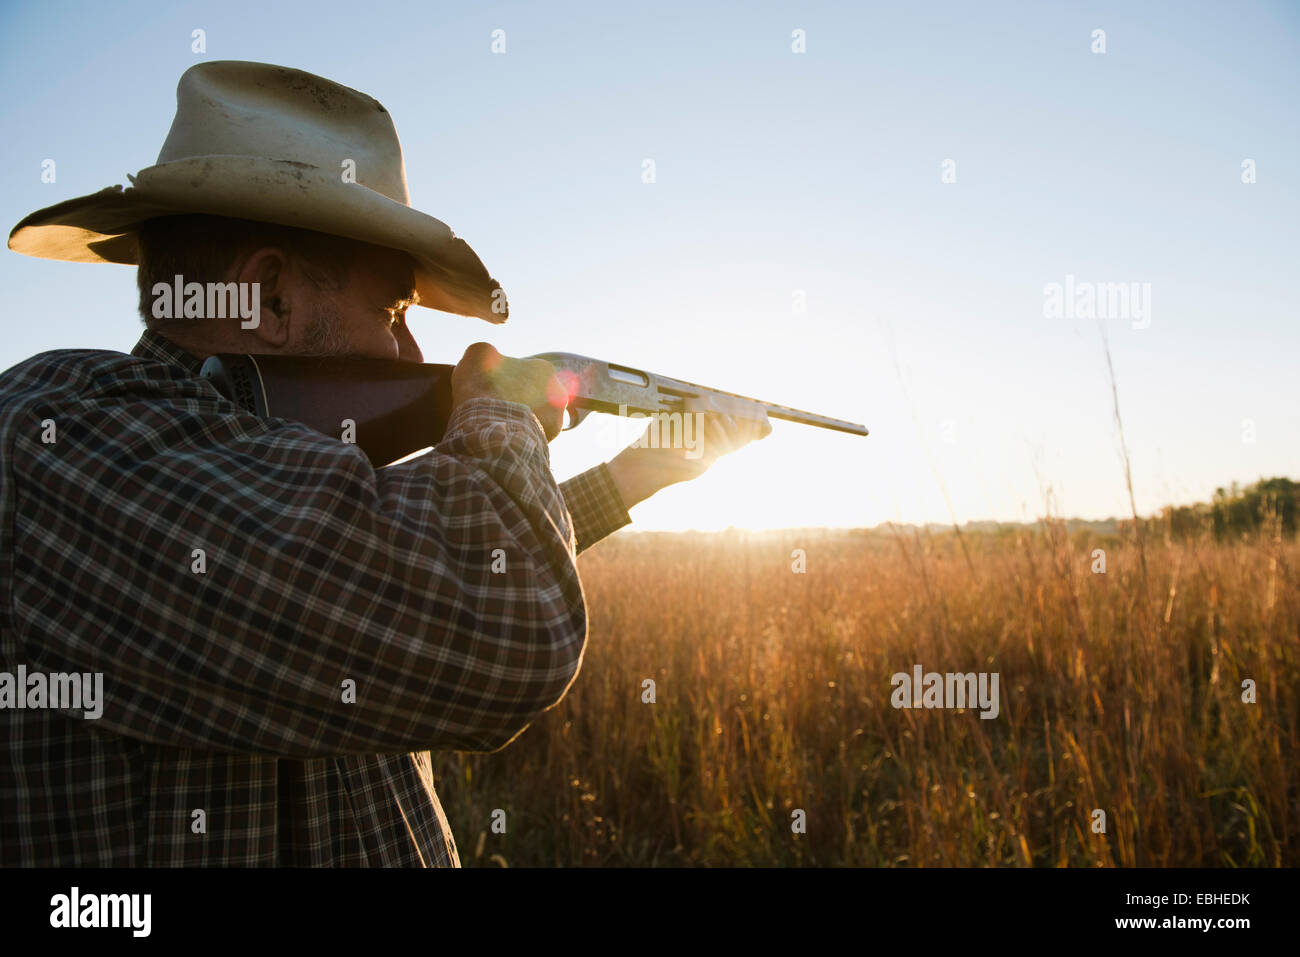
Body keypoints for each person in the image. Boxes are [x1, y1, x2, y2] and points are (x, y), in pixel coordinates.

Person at [0, 60, 767, 866]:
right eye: (392, 311)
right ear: (271, 298)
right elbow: (508, 626)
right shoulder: (64, 434)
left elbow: (402, 562)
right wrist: (500, 409)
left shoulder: (258, 466)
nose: (410, 350)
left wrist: (644, 474)